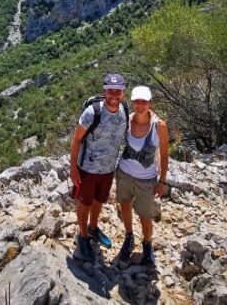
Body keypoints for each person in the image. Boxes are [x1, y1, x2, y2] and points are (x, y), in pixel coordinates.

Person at [70, 73, 129, 261]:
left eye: (117, 91)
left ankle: (93, 228)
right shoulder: (92, 113)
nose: (114, 95)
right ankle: (83, 235)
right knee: (85, 203)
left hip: (108, 168)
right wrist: (73, 168)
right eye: (110, 91)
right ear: (104, 91)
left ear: (123, 93)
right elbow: (77, 139)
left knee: (99, 200)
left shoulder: (124, 110)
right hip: (88, 167)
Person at [115, 85, 169, 266]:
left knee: (145, 216)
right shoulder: (127, 121)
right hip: (124, 173)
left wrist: (162, 181)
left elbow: (164, 154)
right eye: (137, 101)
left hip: (147, 178)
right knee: (124, 206)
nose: (140, 105)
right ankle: (129, 237)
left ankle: (147, 245)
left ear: (150, 103)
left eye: (144, 101)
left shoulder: (159, 125)